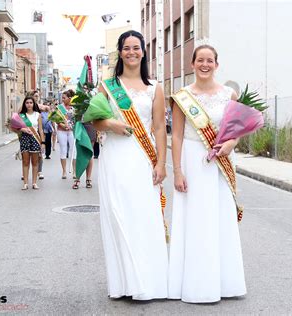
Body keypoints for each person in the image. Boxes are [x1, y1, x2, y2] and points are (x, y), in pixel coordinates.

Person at [92, 30, 168, 300]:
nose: (132, 52)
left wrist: (161, 162)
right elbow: (95, 120)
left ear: (144, 52)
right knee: (119, 214)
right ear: (120, 52)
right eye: (126, 48)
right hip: (115, 157)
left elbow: (159, 127)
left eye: (136, 47)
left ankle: (149, 281)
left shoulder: (155, 87)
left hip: (143, 159)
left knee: (144, 216)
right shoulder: (107, 86)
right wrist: (111, 123)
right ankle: (125, 283)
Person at [168, 44, 246, 303]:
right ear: (192, 64)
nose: (205, 64)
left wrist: (231, 144)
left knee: (220, 218)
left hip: (221, 162)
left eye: (209, 60)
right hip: (192, 161)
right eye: (200, 60)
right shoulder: (182, 96)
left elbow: (235, 131)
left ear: (216, 64)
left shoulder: (229, 94)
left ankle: (225, 283)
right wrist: (177, 171)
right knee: (196, 220)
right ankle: (195, 283)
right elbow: (176, 135)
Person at [14, 97, 45, 190]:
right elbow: (15, 127)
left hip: (35, 139)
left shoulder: (38, 115)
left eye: (31, 102)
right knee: (25, 162)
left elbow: (40, 129)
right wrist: (22, 129)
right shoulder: (21, 115)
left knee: (35, 162)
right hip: (24, 139)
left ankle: (34, 183)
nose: (29, 104)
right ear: (24, 104)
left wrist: (43, 142)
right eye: (27, 102)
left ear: (33, 104)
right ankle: (25, 183)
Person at [57, 90, 75, 179]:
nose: (63, 99)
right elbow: (56, 119)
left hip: (72, 131)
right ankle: (64, 171)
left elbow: (77, 119)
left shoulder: (74, 107)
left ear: (69, 98)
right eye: (62, 98)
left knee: (73, 150)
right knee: (63, 150)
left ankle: (74, 171)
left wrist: (71, 126)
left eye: (64, 98)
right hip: (61, 130)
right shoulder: (59, 107)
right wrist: (63, 126)